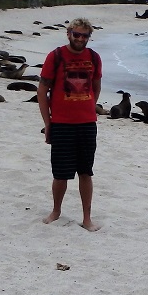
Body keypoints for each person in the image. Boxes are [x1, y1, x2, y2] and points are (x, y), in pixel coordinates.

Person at [37, 18, 103, 230]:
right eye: (77, 34)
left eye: (85, 36)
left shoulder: (94, 57)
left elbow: (96, 87)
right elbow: (42, 91)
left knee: (86, 172)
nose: (80, 39)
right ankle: (56, 210)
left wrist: (90, 106)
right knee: (60, 173)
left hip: (86, 123)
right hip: (62, 124)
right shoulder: (55, 57)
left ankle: (87, 217)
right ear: (69, 33)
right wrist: (48, 122)